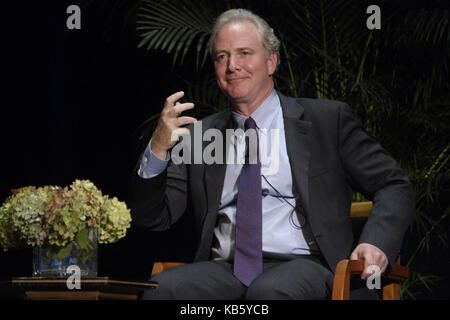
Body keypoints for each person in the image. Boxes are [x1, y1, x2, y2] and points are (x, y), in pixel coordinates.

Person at [129, 8, 414, 299]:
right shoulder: (202, 136)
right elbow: (153, 217)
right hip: (226, 270)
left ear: (271, 61)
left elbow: (393, 184)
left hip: (309, 265)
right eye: (222, 57)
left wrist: (377, 243)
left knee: (268, 294)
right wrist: (158, 148)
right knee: (160, 290)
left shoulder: (327, 121)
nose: (232, 66)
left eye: (244, 53)